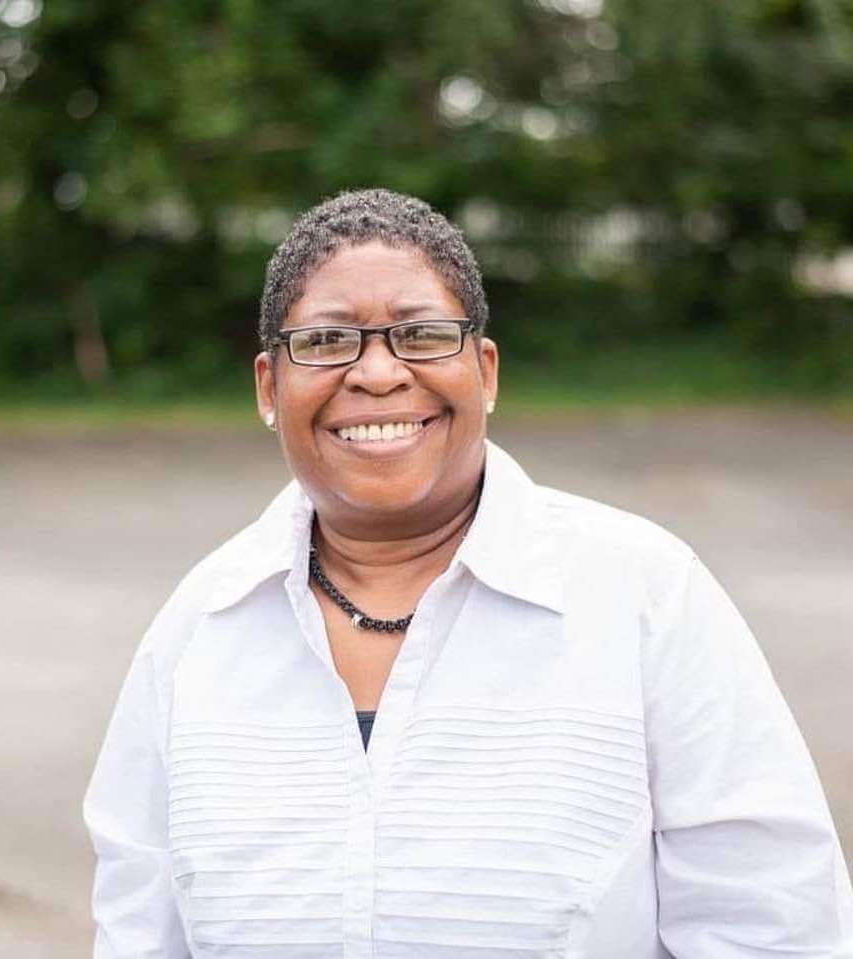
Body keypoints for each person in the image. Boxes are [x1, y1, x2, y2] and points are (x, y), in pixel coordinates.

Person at [84, 188, 853, 958]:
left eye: (421, 335)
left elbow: (774, 926)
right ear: (267, 387)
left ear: (484, 372)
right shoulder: (199, 628)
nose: (378, 373)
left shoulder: (646, 598)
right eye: (325, 341)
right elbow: (137, 934)